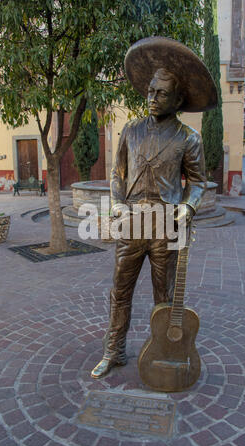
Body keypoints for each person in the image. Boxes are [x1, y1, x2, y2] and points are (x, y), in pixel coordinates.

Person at [91, 37, 218, 379]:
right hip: (132, 224)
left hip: (166, 228)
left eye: (161, 93)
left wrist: (188, 208)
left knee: (165, 297)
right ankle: (114, 351)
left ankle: (163, 354)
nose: (152, 98)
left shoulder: (189, 138)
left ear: (178, 99)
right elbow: (117, 173)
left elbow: (198, 182)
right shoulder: (130, 130)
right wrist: (117, 203)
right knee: (121, 290)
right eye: (150, 91)